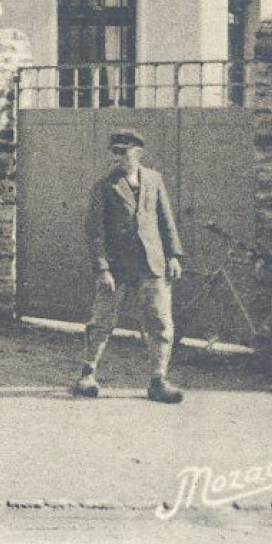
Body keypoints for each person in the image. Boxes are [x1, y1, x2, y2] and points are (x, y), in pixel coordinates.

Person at [73, 129, 187, 404]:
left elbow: (165, 219)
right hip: (117, 266)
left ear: (139, 152)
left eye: (125, 152)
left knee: (159, 323)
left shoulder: (154, 180)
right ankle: (87, 374)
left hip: (152, 263)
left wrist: (173, 254)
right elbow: (95, 231)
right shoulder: (105, 186)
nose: (120, 158)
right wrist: (102, 269)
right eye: (116, 152)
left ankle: (158, 380)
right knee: (102, 321)